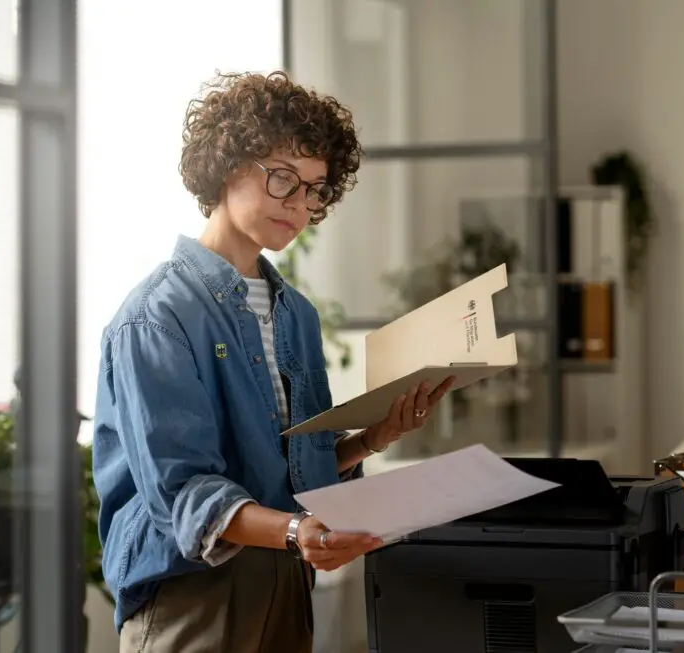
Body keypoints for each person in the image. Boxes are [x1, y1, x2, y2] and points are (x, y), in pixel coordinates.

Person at [91, 71, 453, 653]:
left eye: (315, 189)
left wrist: (374, 437)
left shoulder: (296, 316)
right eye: (283, 179)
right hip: (195, 595)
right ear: (227, 164)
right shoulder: (156, 317)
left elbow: (294, 469)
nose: (300, 205)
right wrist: (293, 530)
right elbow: (182, 493)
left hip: (286, 577)